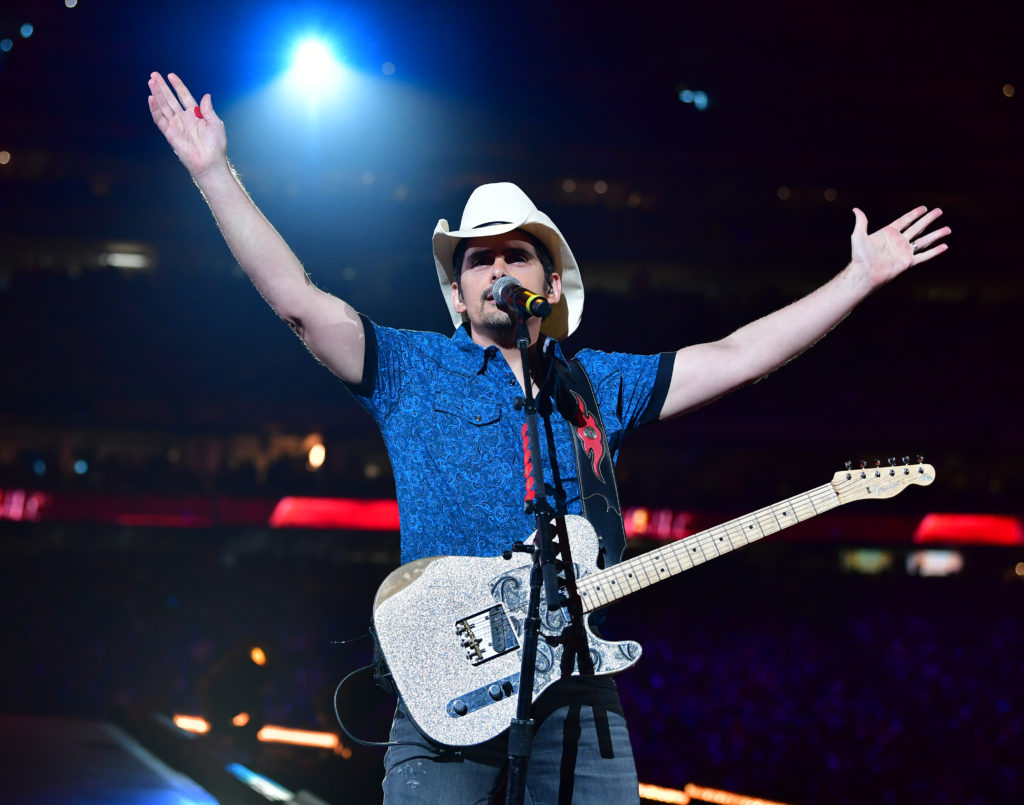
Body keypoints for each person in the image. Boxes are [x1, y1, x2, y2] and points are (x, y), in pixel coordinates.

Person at [147, 71, 950, 804]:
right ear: (457, 294)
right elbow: (298, 301)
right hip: (446, 689)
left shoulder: (593, 382)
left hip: (580, 701)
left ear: (549, 283)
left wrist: (857, 278)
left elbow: (737, 357)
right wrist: (213, 172)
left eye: (517, 253)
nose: (498, 265)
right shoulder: (412, 369)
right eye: (478, 257)